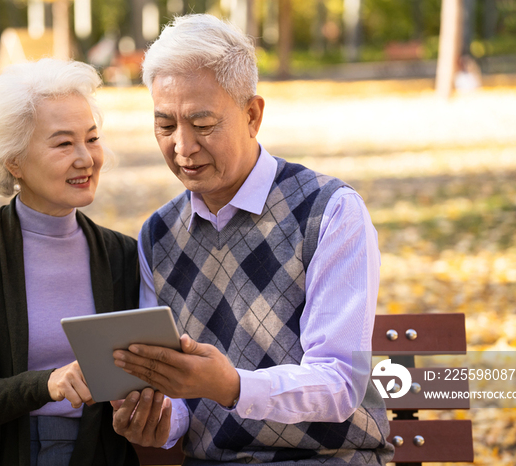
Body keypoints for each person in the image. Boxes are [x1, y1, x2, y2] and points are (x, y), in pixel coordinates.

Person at [111, 14, 394, 464]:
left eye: (202, 124)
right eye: (165, 126)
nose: (182, 147)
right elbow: (179, 401)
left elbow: (341, 382)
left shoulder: (330, 211)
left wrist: (232, 386)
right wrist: (160, 418)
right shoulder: (158, 235)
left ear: (252, 115)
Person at [0, 58, 140, 466]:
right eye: (63, 143)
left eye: (91, 138)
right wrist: (43, 386)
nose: (86, 158)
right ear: (13, 160)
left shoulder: (121, 255)